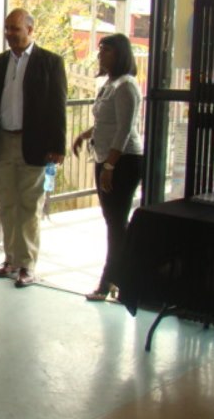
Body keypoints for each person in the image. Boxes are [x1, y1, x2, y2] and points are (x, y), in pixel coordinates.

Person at [0, 9, 67, 288]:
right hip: (2, 140)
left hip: (34, 144)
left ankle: (27, 265)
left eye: (15, 29)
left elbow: (57, 107)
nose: (10, 34)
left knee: (29, 206)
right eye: (7, 28)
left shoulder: (50, 62)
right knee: (6, 204)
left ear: (30, 30)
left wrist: (58, 145)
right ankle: (10, 260)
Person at [72, 33, 143, 301]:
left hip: (123, 161)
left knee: (116, 223)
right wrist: (84, 135)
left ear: (120, 54)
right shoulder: (110, 84)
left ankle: (111, 281)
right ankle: (117, 279)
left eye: (107, 50)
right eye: (101, 50)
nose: (101, 54)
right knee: (113, 221)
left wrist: (111, 166)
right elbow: (105, 122)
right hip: (106, 158)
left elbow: (125, 129)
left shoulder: (127, 86)